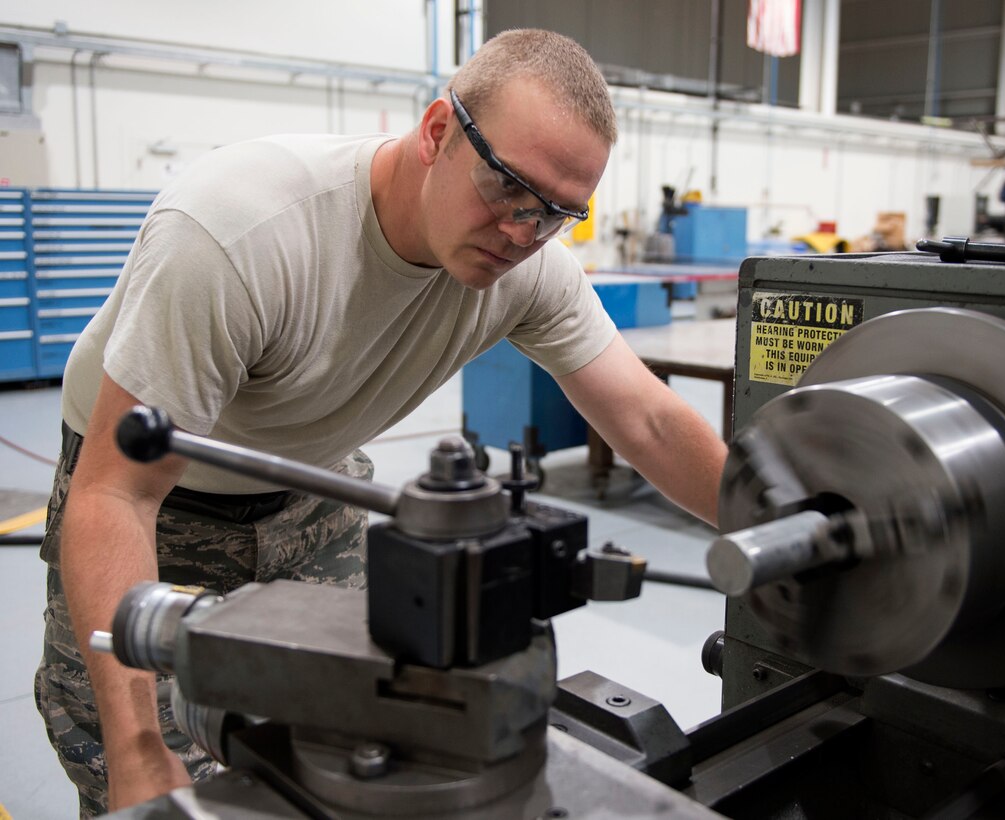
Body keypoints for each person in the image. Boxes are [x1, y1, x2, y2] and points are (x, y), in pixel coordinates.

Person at [35, 28, 729, 817]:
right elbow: (115, 496)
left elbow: (647, 420)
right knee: (160, 779)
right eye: (508, 189)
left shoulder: (528, 269)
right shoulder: (241, 233)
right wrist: (136, 756)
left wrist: (783, 529)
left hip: (317, 486)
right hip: (157, 504)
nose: (523, 234)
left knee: (373, 742)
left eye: (557, 214)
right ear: (437, 131)